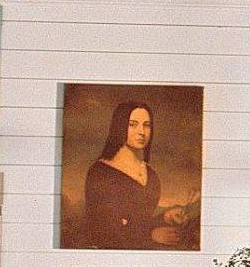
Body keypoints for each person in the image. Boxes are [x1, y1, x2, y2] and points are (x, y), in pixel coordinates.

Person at [80, 101, 187, 248]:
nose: (141, 132)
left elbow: (138, 221)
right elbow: (102, 231)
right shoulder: (100, 173)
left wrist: (165, 218)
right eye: (133, 124)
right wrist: (151, 235)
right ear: (119, 126)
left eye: (147, 125)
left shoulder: (151, 174)